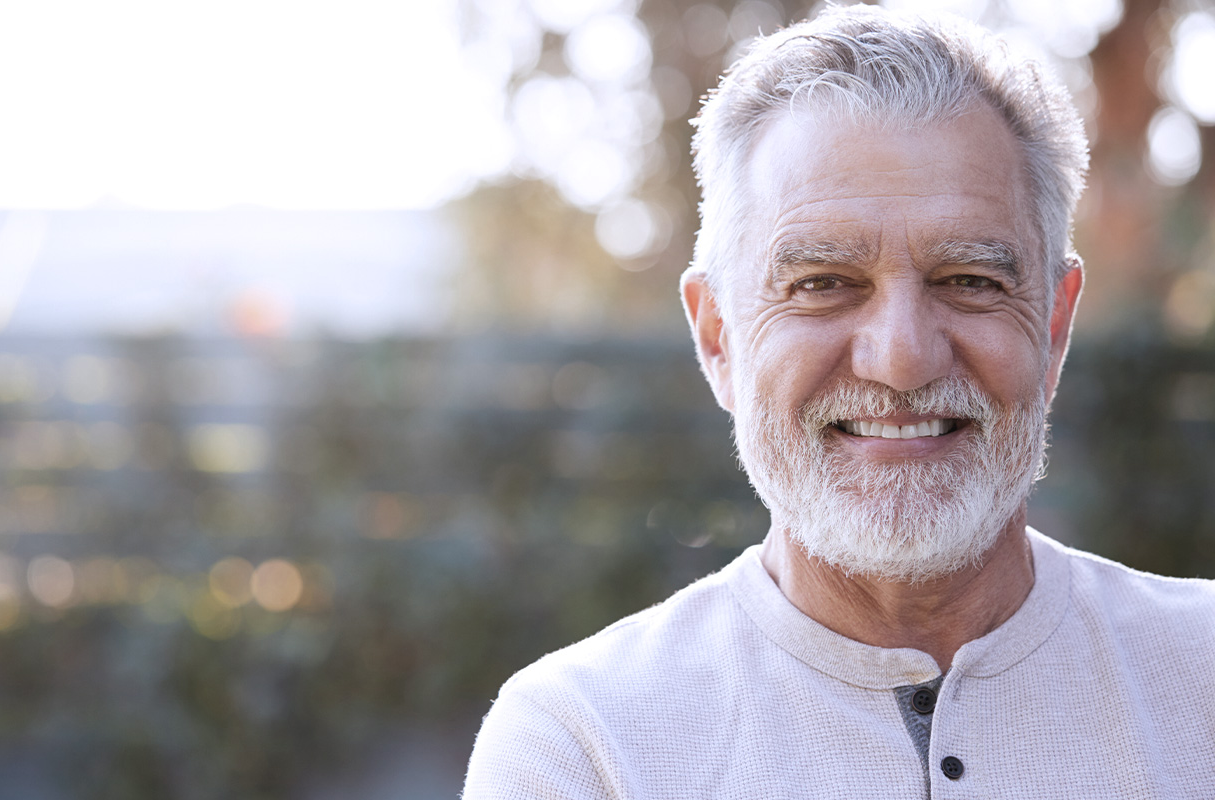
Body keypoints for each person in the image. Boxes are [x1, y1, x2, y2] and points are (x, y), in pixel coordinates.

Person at [463, 5, 1215, 797]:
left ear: (1055, 325)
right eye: (823, 284)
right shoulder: (585, 746)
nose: (900, 361)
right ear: (718, 337)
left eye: (969, 280)